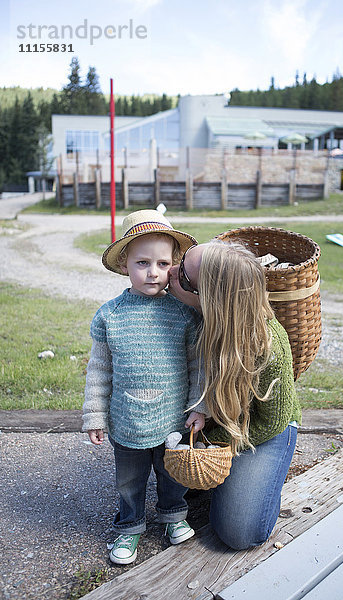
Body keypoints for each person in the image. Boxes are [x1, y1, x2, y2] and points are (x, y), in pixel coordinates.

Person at [82, 210, 207, 565]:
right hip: (126, 419)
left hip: (173, 418)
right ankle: (129, 526)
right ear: (124, 264)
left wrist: (200, 406)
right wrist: (95, 415)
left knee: (172, 475)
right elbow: (99, 370)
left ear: (174, 265)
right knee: (130, 481)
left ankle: (173, 515)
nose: (153, 272)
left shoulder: (184, 314)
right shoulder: (111, 315)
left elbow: (198, 364)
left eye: (162, 263)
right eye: (142, 262)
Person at [168, 239, 301, 550]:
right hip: (218, 419)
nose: (171, 271)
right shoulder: (190, 312)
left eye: (183, 276)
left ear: (212, 298)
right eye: (182, 260)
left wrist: (216, 446)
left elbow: (271, 422)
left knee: (237, 532)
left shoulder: (267, 346)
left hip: (262, 428)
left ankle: (262, 483)